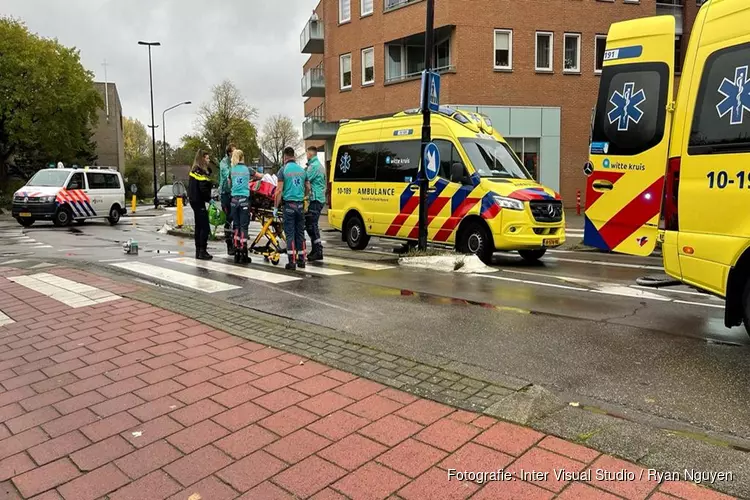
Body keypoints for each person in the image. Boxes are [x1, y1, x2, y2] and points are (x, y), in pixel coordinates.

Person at [275, 147, 307, 270]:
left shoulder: (283, 170)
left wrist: (275, 207)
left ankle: (292, 262)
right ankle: (302, 260)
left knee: (290, 234)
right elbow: (308, 186)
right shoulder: (302, 170)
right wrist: (303, 195)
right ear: (294, 156)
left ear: (285, 157)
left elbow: (278, 191)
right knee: (300, 233)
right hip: (300, 205)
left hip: (288, 206)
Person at [229, 149, 261, 264]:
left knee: (236, 226)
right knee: (244, 227)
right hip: (244, 200)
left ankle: (236, 252)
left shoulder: (231, 170)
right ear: (243, 157)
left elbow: (229, 183)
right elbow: (260, 176)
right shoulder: (248, 169)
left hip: (233, 200)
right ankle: (244, 253)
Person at [188, 149, 213, 260]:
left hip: (194, 200)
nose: (209, 160)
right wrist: (209, 199)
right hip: (199, 201)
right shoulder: (201, 172)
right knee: (205, 227)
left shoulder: (194, 170)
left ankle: (198, 251)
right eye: (207, 158)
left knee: (198, 226)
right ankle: (202, 251)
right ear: (202, 159)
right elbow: (203, 188)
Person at [304, 146, 326, 261]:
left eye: (306, 153)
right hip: (319, 198)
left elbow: (304, 179)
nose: (306, 155)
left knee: (311, 225)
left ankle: (318, 250)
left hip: (315, 199)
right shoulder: (320, 166)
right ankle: (316, 249)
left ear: (310, 154)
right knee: (311, 224)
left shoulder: (313, 167)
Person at [219, 144, 236, 255]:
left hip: (234, 193)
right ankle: (229, 244)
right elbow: (227, 174)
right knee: (228, 219)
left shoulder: (235, 162)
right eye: (233, 152)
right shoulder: (224, 163)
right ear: (229, 153)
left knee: (235, 218)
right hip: (226, 193)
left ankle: (235, 242)